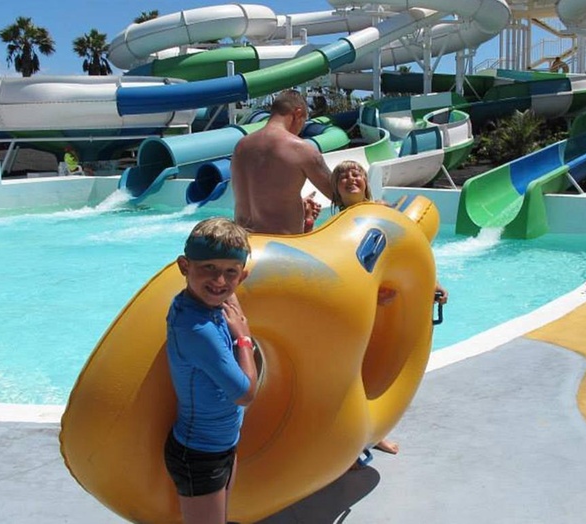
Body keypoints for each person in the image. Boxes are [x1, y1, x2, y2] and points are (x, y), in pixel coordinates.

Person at [330, 160, 449, 464]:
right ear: (336, 189)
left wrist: (432, 284)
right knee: (352, 372)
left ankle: (375, 432)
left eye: (355, 173)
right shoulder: (334, 227)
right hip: (359, 309)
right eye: (342, 176)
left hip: (384, 308)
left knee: (376, 368)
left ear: (365, 182)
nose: (350, 178)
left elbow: (408, 253)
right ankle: (350, 442)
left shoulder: (382, 212)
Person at [164, 217, 259, 524]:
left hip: (221, 445)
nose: (219, 281)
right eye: (208, 268)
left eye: (230, 272)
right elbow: (245, 394)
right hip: (199, 455)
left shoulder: (202, 301)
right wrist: (243, 337)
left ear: (242, 276)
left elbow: (224, 289)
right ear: (184, 266)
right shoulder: (196, 328)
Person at [230, 89, 334, 235]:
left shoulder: (241, 147)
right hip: (278, 248)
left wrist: (295, 204)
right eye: (302, 123)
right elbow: (339, 195)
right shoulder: (300, 149)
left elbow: (257, 197)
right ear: (298, 113)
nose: (299, 131)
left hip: (241, 243)